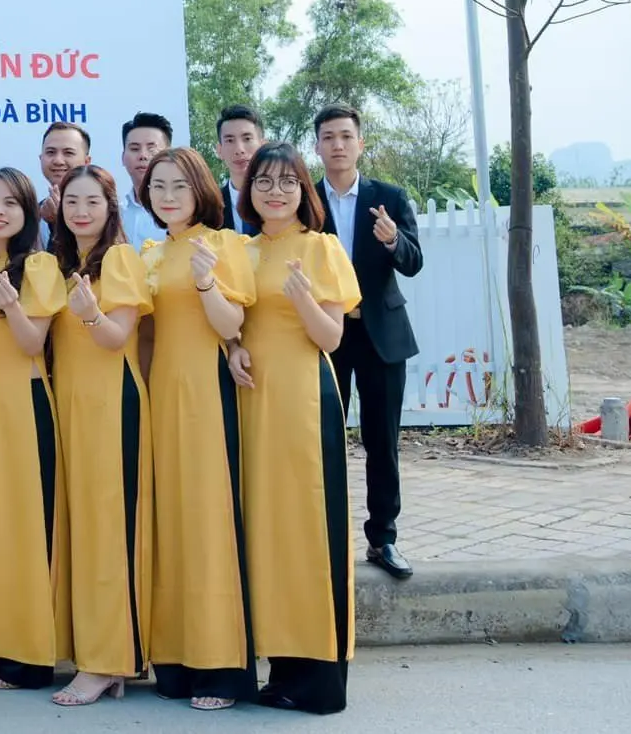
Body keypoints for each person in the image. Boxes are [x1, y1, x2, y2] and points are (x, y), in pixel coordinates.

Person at [231, 143, 359, 714]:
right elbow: (236, 322)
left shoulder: (320, 247)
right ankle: (280, 664)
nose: (275, 192)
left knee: (307, 526)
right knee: (267, 527)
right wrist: (233, 347)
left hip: (304, 399)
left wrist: (304, 300)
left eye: (287, 182)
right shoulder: (242, 250)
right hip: (252, 401)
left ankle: (318, 676)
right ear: (249, 190)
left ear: (304, 190)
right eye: (264, 181)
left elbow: (331, 337)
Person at [139, 147, 255, 710]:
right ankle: (176, 658)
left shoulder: (222, 244)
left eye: (178, 186)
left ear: (201, 190)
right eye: (157, 186)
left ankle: (220, 666)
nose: (167, 196)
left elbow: (234, 324)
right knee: (171, 521)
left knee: (208, 521)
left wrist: (208, 284)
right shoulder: (151, 252)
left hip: (205, 390)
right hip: (161, 392)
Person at [46, 165, 153, 707]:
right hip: (71, 407)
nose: (81, 211)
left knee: (109, 532)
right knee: (83, 532)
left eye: (92, 201)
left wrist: (90, 315)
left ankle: (109, 660)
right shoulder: (62, 265)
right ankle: (92, 650)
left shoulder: (120, 259)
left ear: (111, 207)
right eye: (71, 201)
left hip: (112, 405)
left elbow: (118, 337)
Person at [0, 167, 69, 690]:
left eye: (10, 202)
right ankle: (0, 641)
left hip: (23, 404)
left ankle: (32, 655)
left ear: (28, 212)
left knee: (27, 527)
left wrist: (11, 307)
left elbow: (32, 343)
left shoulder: (39, 266)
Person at [313, 104, 424, 580]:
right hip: (327, 334)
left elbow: (413, 262)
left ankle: (383, 538)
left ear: (360, 143)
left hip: (382, 335)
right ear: (317, 146)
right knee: (324, 439)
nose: (337, 145)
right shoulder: (306, 200)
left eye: (345, 136)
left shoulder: (388, 197)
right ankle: (325, 537)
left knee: (383, 442)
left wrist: (393, 240)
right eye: (328, 137)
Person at [117, 113, 172, 249]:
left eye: (152, 149)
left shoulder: (183, 211)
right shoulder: (115, 214)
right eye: (134, 149)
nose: (143, 155)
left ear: (169, 155)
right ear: (123, 157)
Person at [35, 122, 92, 242]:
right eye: (51, 152)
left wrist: (58, 221)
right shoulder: (32, 213)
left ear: (86, 162)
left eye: (68, 153)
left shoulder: (101, 210)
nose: (58, 161)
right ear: (41, 158)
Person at [215, 106, 266, 238]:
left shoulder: (281, 199)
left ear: (263, 145)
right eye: (230, 140)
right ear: (219, 150)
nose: (239, 150)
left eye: (247, 139)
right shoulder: (209, 206)